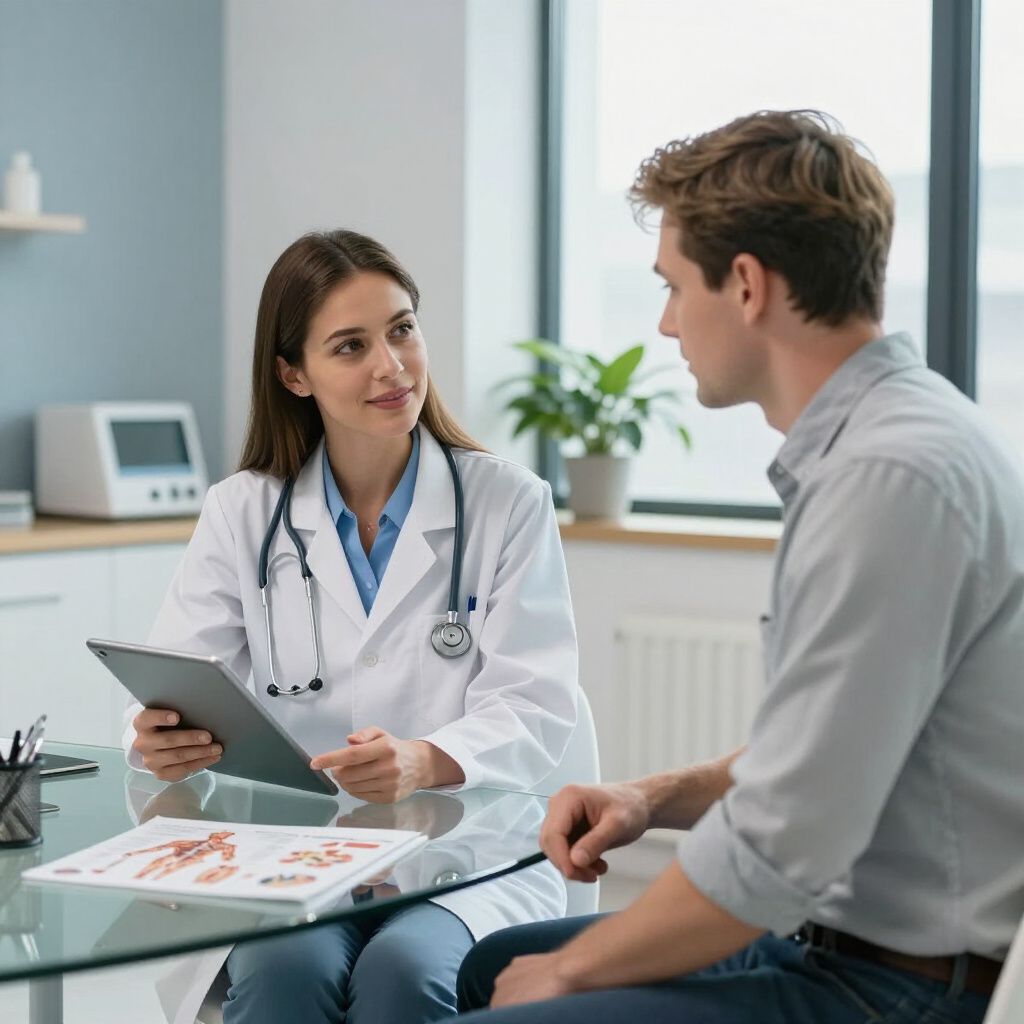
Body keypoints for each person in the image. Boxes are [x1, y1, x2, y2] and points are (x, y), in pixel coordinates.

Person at [456, 110, 1024, 1024]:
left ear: (749, 287)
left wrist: (575, 973)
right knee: (496, 967)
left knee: (527, 991)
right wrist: (646, 798)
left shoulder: (890, 477)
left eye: (676, 287)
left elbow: (782, 840)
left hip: (897, 987)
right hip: (835, 942)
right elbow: (817, 756)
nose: (668, 323)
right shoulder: (886, 444)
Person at [120, 229, 578, 1024]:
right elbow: (177, 679)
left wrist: (428, 757)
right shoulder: (243, 514)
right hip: (295, 856)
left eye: (402, 328)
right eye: (350, 345)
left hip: (463, 854)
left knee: (406, 973)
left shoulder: (508, 504)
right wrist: (158, 737)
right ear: (293, 373)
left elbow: (539, 706)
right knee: (284, 970)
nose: (390, 366)